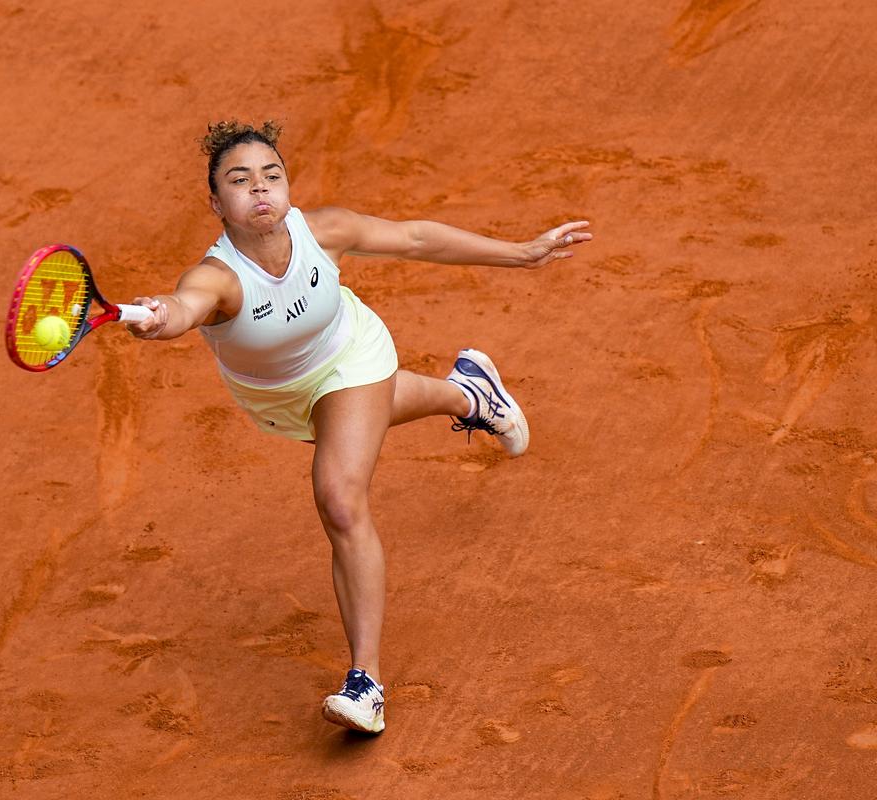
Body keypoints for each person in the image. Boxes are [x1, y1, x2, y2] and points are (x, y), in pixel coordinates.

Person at [124, 120, 593, 734]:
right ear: (217, 204)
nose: (260, 190)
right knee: (361, 420)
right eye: (239, 182)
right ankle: (470, 393)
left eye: (272, 176)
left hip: (350, 355)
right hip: (279, 398)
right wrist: (162, 316)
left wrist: (522, 252)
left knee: (340, 498)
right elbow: (185, 306)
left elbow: (417, 238)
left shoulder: (325, 232)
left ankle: (364, 681)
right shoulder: (218, 277)